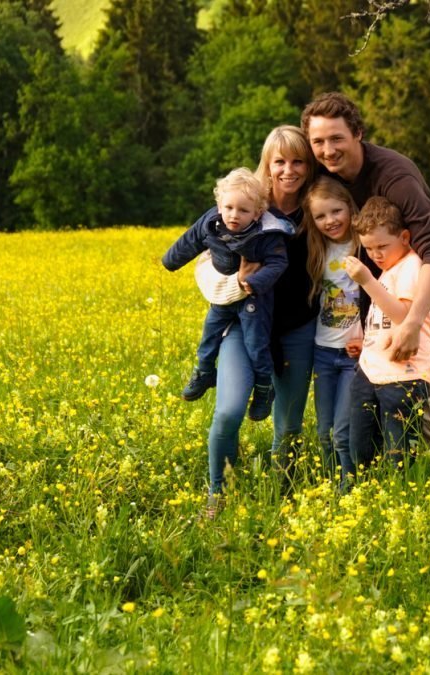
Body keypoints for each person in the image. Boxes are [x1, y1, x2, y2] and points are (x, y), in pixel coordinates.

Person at [301, 92, 430, 451]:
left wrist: (413, 323)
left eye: (337, 138)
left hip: (422, 288)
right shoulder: (326, 172)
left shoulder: (394, 176)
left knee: (417, 381)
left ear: (358, 133)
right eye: (318, 142)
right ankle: (377, 477)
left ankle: (428, 469)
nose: (328, 150)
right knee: (373, 385)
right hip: (375, 286)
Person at [193, 127, 317, 509]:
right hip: (241, 326)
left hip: (298, 327)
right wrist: (237, 284)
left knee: (289, 425)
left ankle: (281, 496)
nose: (288, 170)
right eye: (279, 161)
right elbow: (203, 261)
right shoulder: (244, 202)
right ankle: (219, 495)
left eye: (298, 161)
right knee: (229, 411)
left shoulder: (320, 207)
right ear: (268, 163)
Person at [162, 168, 293, 422]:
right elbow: (191, 240)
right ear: (219, 205)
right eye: (229, 207)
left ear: (257, 213)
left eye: (244, 211)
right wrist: (170, 261)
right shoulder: (211, 222)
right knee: (209, 334)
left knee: (257, 346)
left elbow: (278, 263)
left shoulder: (267, 233)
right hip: (223, 297)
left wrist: (254, 283)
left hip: (254, 299)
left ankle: (264, 388)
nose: (234, 215)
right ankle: (204, 372)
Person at [345, 197, 430, 471]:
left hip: (403, 376)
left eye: (382, 246)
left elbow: (404, 318)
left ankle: (399, 498)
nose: (375, 255)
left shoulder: (410, 266)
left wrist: (367, 280)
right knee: (359, 448)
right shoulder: (388, 270)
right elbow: (383, 319)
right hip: (371, 371)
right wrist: (367, 343)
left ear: (405, 237)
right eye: (368, 248)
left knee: (400, 454)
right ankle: (367, 496)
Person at [303, 176, 362, 485]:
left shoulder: (364, 246)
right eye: (320, 216)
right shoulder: (317, 249)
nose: (329, 221)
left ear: (350, 207)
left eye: (336, 211)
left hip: (354, 355)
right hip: (323, 351)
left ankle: (349, 489)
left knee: (342, 431)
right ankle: (328, 486)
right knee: (324, 432)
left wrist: (367, 333)